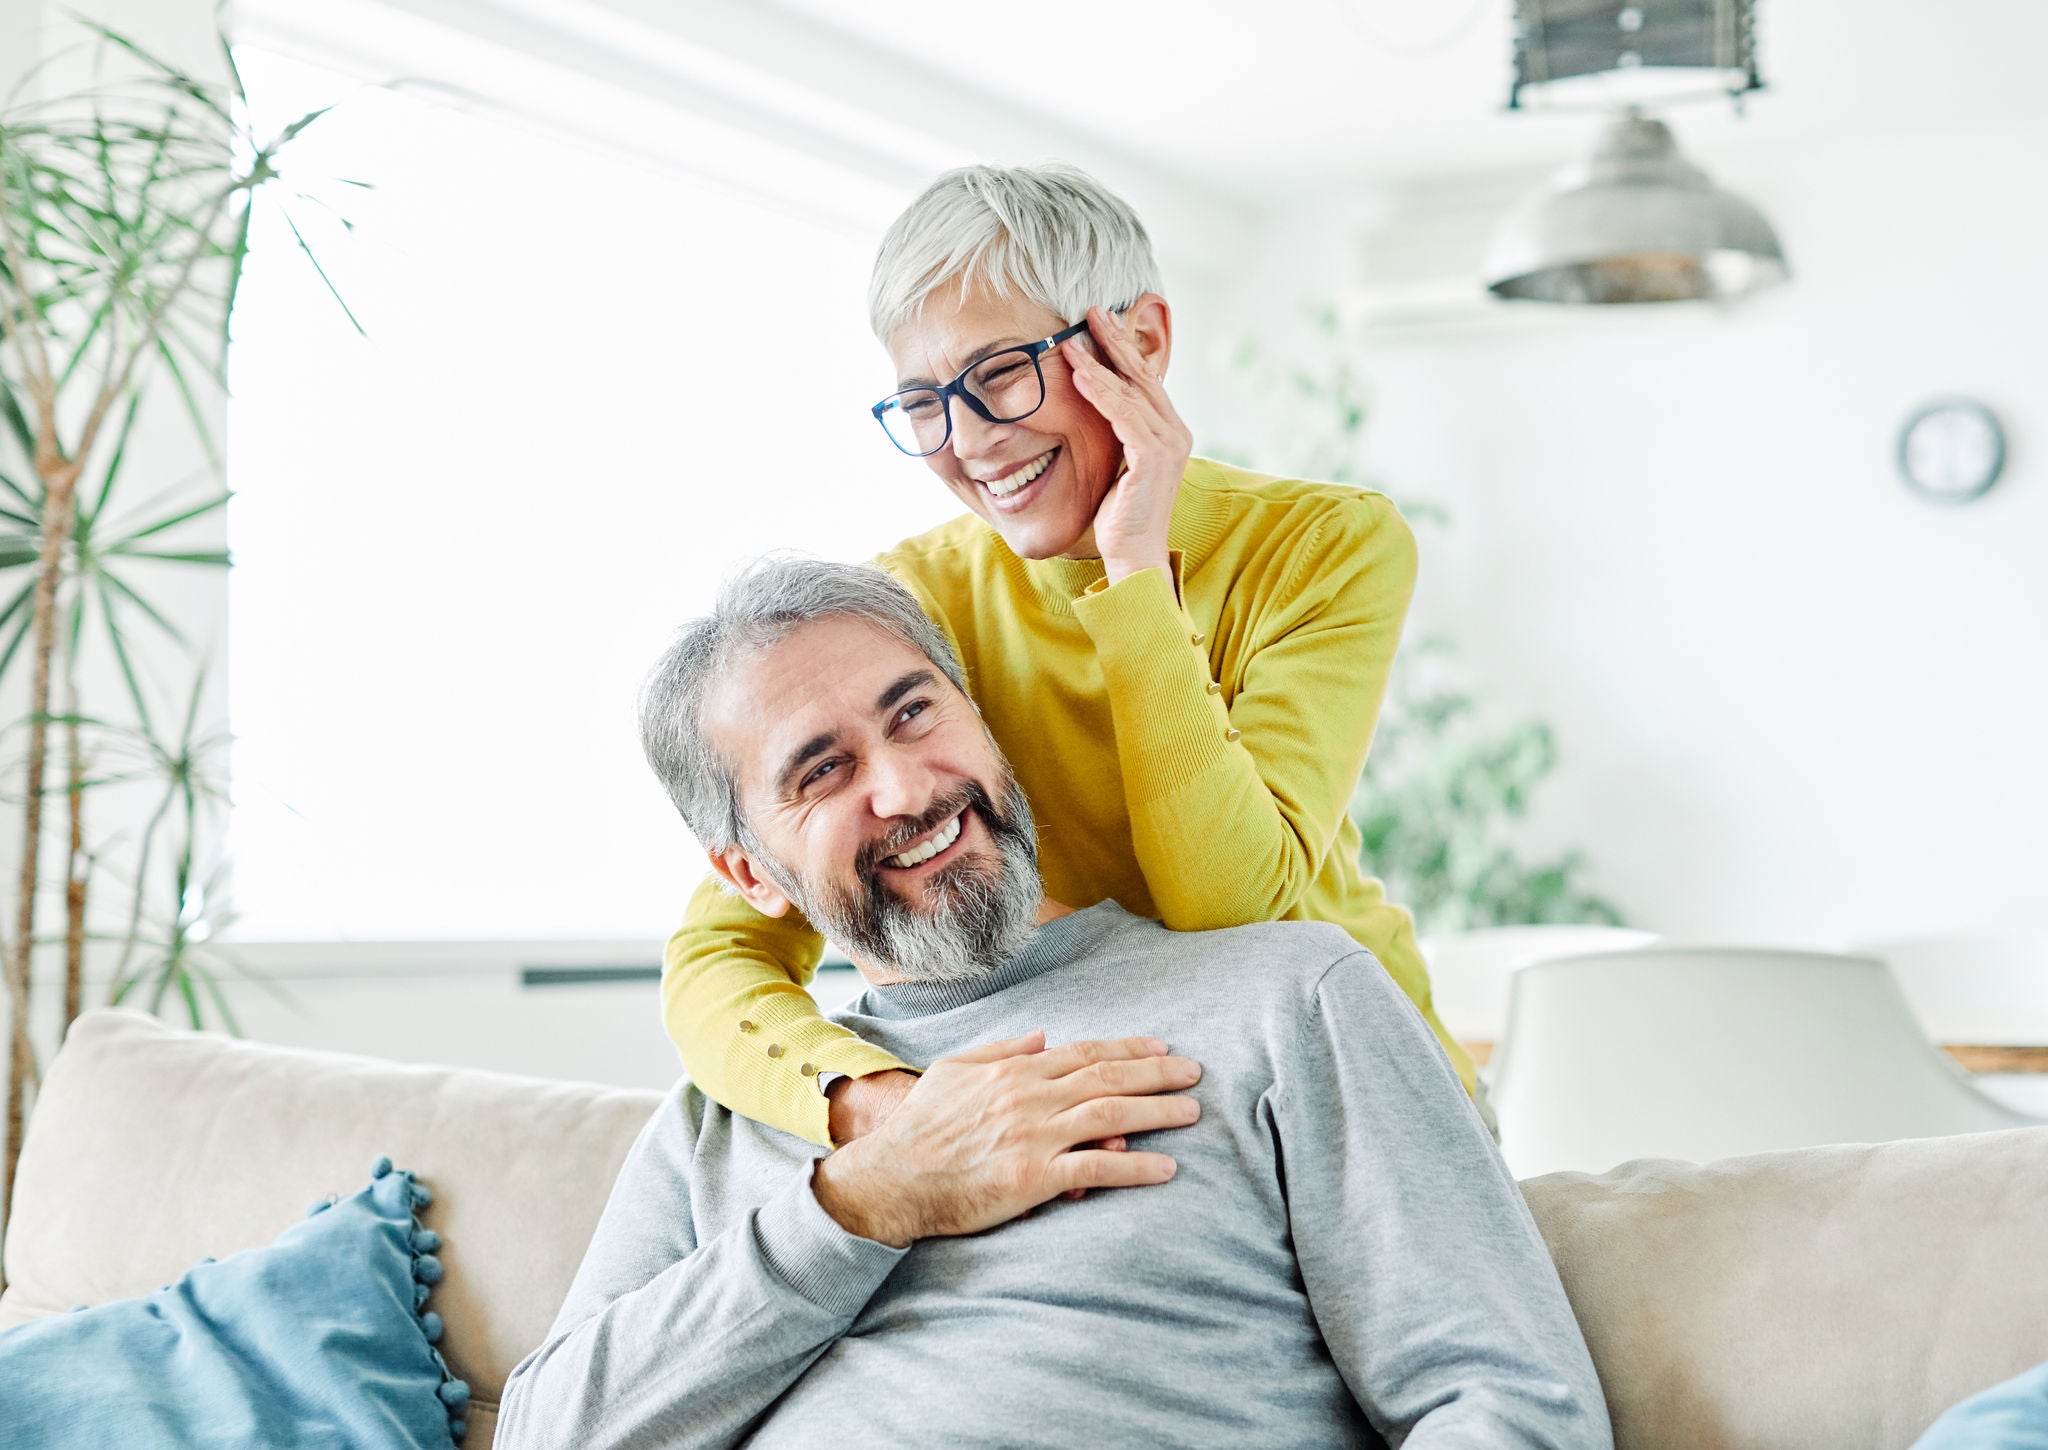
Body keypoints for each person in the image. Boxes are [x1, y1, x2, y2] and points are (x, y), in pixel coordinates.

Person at [493, 557, 1610, 1450]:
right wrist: (861, 1203)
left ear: (980, 719)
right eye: (821, 771)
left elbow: (1509, 1403)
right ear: (744, 873)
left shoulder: (1285, 998)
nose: (906, 786)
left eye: (915, 712)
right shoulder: (726, 1121)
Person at [664, 163, 1475, 1151]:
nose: (966, 441)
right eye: (923, 402)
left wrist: (1134, 568)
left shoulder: (1323, 545)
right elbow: (720, 953)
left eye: (999, 373)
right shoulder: (914, 605)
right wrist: (874, 1105)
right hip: (1132, 1109)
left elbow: (1225, 905)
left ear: (1140, 343)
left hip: (1351, 1086)